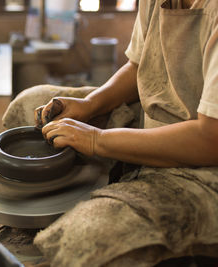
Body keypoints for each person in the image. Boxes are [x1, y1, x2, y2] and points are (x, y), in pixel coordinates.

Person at [32, 0, 218, 266]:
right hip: (153, 117)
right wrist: (90, 105)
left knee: (87, 239)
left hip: (202, 162)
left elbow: (211, 137)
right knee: (30, 104)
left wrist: (97, 139)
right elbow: (139, 66)